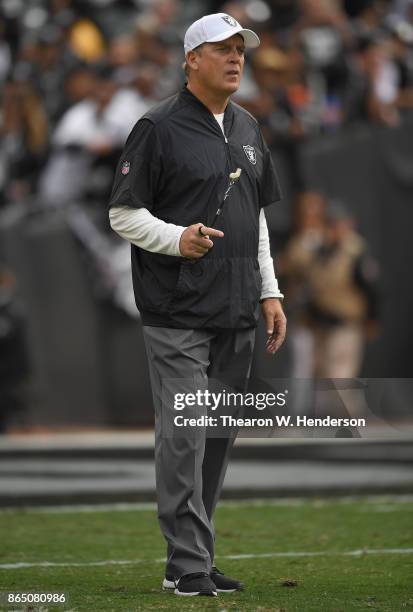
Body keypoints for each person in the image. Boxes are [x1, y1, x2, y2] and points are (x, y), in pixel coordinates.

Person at [108, 13, 286, 597]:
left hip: (235, 307)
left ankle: (192, 559)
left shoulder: (248, 126)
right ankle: (187, 563)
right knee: (185, 432)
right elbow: (123, 213)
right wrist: (176, 237)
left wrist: (270, 290)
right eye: (223, 50)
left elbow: (254, 218)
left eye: (241, 50)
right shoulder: (155, 126)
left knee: (214, 439)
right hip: (177, 309)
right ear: (191, 60)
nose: (236, 58)